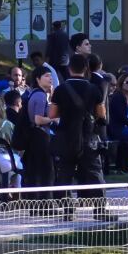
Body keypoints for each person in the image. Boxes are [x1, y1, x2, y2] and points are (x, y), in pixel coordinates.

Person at [47, 53, 108, 207]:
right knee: (94, 172)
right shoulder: (94, 89)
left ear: (69, 68)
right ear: (86, 69)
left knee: (65, 173)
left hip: (66, 136)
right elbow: (101, 114)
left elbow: (52, 114)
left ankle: (67, 209)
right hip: (88, 136)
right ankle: (100, 208)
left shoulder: (60, 89)